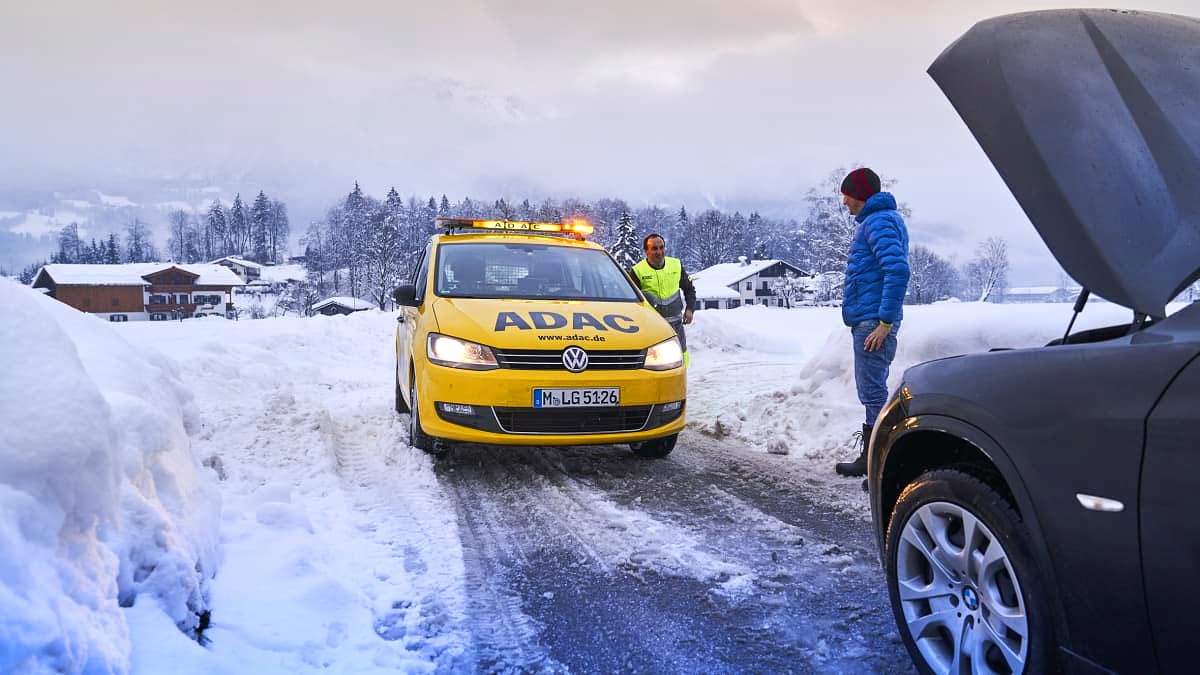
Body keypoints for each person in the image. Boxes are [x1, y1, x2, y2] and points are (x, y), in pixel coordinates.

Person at [832, 168, 910, 485]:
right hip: (869, 319)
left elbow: (897, 271)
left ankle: (883, 466)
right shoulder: (878, 221)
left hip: (874, 322)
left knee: (874, 393)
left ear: (860, 194)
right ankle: (872, 459)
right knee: (871, 391)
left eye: (847, 195)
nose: (845, 202)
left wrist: (885, 323)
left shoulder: (878, 222)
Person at [629, 234, 696, 366]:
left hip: (676, 326)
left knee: (682, 358)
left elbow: (689, 289)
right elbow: (632, 302)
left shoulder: (676, 265)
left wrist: (690, 309)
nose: (659, 252)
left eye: (661, 247)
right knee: (655, 363)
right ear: (646, 251)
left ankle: (682, 378)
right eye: (654, 248)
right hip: (651, 328)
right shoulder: (637, 271)